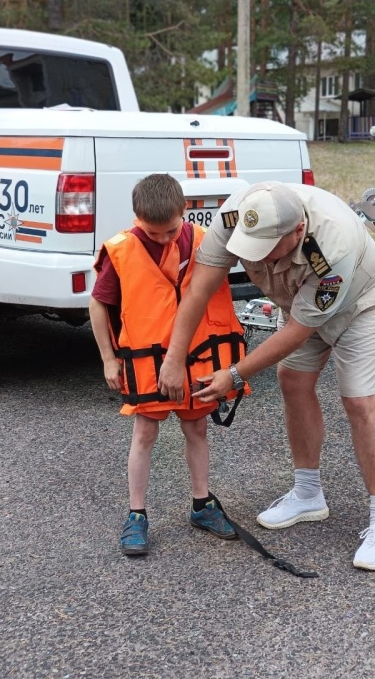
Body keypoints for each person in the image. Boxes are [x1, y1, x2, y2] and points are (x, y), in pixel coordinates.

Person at [158, 180, 375, 571]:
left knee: (359, 401)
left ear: (298, 231)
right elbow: (198, 291)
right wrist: (173, 357)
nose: (263, 258)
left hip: (358, 304)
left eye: (271, 247)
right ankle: (308, 494)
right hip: (299, 302)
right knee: (293, 381)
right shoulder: (237, 216)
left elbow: (296, 332)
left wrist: (234, 375)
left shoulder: (331, 246)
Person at [89, 173, 247, 557]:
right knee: (144, 435)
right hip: (147, 365)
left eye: (170, 231)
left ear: (185, 211)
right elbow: (98, 303)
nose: (163, 239)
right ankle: (137, 515)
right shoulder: (123, 251)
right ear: (137, 217)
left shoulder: (206, 242)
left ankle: (202, 505)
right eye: (153, 232)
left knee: (196, 430)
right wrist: (109, 359)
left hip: (197, 363)